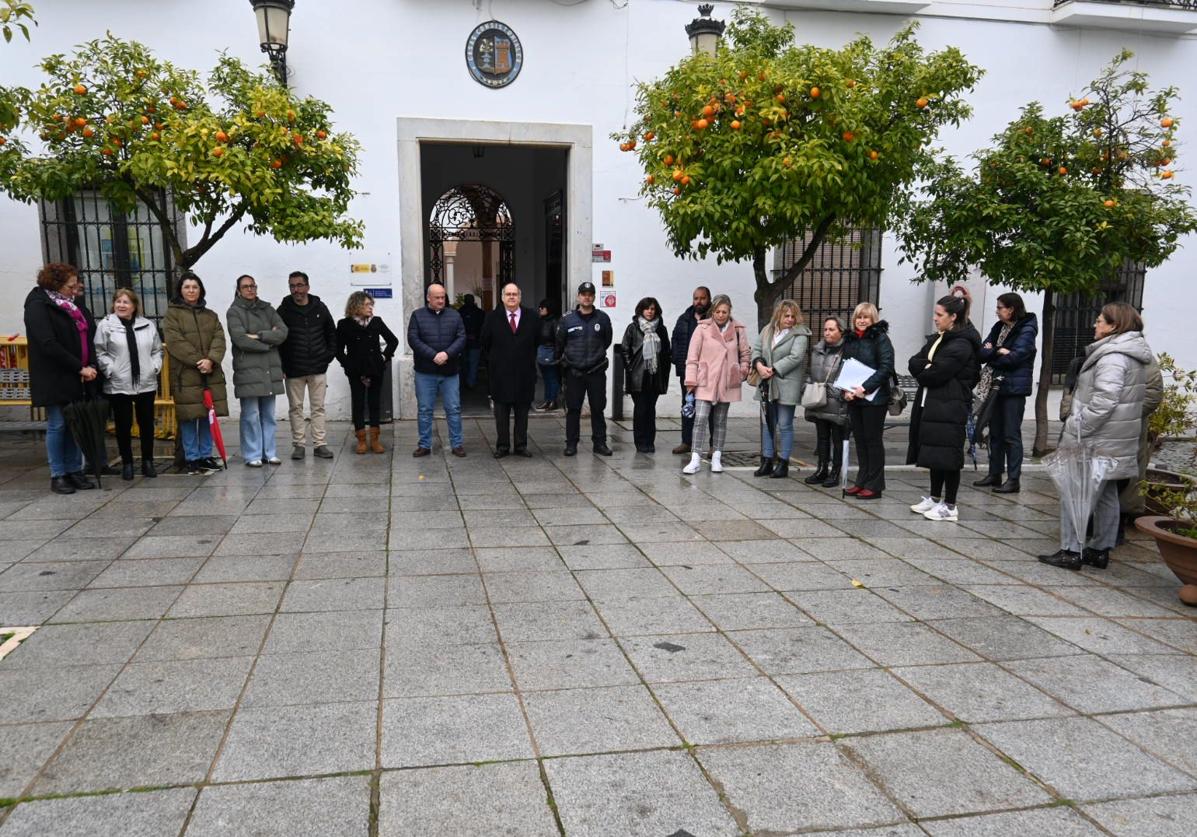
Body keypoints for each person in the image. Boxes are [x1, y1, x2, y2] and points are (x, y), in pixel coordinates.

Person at [1039, 302, 1152, 571]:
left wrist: (1078, 425)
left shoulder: (1113, 356)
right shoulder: (1128, 353)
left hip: (1096, 440)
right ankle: (1100, 549)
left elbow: (1104, 400)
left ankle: (1071, 550)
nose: (1095, 324)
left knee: (1074, 494)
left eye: (1100, 320)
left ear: (1114, 326)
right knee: (1106, 495)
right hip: (1113, 440)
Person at [24, 263, 100, 494]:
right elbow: (48, 344)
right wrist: (80, 367)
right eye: (70, 286)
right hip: (55, 375)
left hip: (78, 374)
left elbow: (87, 335)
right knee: (58, 424)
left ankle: (74, 470)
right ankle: (58, 474)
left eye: (76, 285)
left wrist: (92, 364)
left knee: (73, 423)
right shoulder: (38, 305)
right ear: (55, 284)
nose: (75, 290)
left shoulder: (72, 306)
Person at [907, 296, 982, 522]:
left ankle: (950, 505)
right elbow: (915, 361)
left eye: (940, 315)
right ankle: (934, 497)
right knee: (934, 452)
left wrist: (928, 369)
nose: (935, 318)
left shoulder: (961, 344)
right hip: (934, 403)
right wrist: (926, 367)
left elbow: (935, 373)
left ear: (953, 317)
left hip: (950, 406)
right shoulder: (941, 339)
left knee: (948, 455)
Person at [94, 288, 163, 481]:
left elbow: (157, 350)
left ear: (134, 306)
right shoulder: (106, 326)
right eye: (118, 301)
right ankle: (127, 463)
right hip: (119, 383)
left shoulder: (147, 325)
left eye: (126, 302)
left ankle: (148, 461)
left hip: (145, 383)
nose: (121, 305)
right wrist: (111, 369)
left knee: (146, 424)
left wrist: (154, 366)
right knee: (123, 425)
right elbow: (100, 352)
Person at [163, 272, 228, 476]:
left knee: (207, 416)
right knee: (189, 417)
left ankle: (206, 455)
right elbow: (175, 342)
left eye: (195, 287)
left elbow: (219, 339)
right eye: (187, 287)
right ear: (180, 290)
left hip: (210, 373)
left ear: (201, 290)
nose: (191, 290)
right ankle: (192, 458)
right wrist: (198, 361)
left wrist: (211, 360)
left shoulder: (210, 315)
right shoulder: (172, 315)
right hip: (186, 375)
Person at [974, 293, 1038, 494]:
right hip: (996, 385)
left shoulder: (1027, 328)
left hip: (1014, 388)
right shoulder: (998, 327)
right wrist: (998, 351)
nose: (997, 310)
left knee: (1011, 434)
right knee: (995, 433)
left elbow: (1016, 358)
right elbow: (982, 352)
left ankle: (1013, 479)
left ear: (1011, 309)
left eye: (1000, 307)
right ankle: (994, 474)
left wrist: (995, 352)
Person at [682, 294, 750, 475]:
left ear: (730, 311)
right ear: (713, 311)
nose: (721, 315)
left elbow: (745, 353)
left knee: (720, 421)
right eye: (718, 311)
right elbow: (692, 356)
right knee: (700, 419)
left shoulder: (738, 329)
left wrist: (741, 371)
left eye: (725, 312)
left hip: (727, 380)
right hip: (706, 379)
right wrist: (690, 380)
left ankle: (717, 457)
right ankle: (695, 457)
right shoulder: (702, 328)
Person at [227, 274, 288, 468]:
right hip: (248, 370)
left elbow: (283, 332)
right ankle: (252, 454)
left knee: (268, 414)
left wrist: (259, 336)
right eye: (246, 286)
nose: (250, 289)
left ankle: (269, 453)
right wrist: (268, 344)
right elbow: (240, 338)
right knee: (251, 415)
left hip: (269, 369)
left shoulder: (267, 308)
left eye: (253, 286)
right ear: (238, 290)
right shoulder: (234, 312)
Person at [277, 270, 337, 461]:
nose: (297, 290)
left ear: (308, 287)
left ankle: (320, 444)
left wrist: (328, 356)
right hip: (293, 369)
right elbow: (277, 339)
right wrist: (282, 365)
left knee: (318, 408)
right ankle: (299, 445)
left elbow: (332, 333)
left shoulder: (320, 308)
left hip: (318, 367)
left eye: (300, 285)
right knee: (296, 408)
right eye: (293, 286)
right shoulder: (283, 311)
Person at [751, 299, 811, 479]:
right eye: (787, 316)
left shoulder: (800, 334)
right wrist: (759, 365)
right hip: (766, 383)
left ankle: (783, 462)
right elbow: (757, 350)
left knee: (784, 424)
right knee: (767, 423)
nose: (790, 319)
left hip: (786, 383)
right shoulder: (767, 330)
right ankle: (767, 460)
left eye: (793, 316)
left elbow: (796, 357)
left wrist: (774, 368)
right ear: (779, 315)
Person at [842, 302, 894, 499]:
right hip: (855, 398)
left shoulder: (880, 339)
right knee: (861, 441)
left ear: (873, 320)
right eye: (858, 317)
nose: (861, 321)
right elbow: (846, 367)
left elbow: (886, 367)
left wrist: (865, 387)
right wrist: (846, 390)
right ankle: (862, 480)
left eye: (866, 317)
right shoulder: (851, 339)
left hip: (875, 399)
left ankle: (875, 484)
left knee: (873, 441)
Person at [336, 291, 399, 454]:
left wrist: (384, 357)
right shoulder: (344, 324)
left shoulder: (376, 322)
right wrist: (347, 365)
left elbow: (393, 341)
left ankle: (375, 440)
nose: (370, 308)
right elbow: (338, 350)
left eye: (371, 305)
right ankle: (362, 440)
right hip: (356, 371)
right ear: (356, 305)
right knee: (358, 404)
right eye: (366, 305)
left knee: (374, 403)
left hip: (375, 369)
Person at [408, 282, 466, 457]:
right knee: (425, 409)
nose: (441, 300)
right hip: (425, 371)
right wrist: (433, 355)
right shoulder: (417, 316)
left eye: (443, 297)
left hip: (450, 371)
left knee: (453, 408)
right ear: (428, 298)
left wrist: (447, 354)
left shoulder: (454, 315)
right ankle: (424, 445)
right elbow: (413, 339)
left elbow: (461, 338)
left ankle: (457, 444)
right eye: (437, 298)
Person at [480, 282, 538, 457]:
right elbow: (485, 343)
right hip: (500, 374)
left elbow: (536, 341)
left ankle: (521, 445)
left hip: (524, 374)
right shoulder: (491, 317)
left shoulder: (532, 316)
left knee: (522, 413)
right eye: (508, 294)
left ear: (520, 297)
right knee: (501, 414)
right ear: (502, 297)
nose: (512, 297)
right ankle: (502, 446)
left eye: (515, 294)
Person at [557, 281, 613, 457]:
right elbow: (559, 343)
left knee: (598, 408)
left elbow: (607, 341)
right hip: (574, 372)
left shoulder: (602, 318)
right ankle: (571, 444)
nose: (587, 297)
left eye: (590, 294)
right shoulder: (567, 319)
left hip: (596, 371)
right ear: (578, 297)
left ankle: (600, 443)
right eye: (583, 294)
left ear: (594, 297)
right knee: (573, 409)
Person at [620, 297, 671, 453]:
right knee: (641, 409)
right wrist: (630, 368)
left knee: (651, 409)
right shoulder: (633, 328)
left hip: (655, 376)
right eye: (647, 308)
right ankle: (640, 442)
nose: (650, 311)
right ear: (641, 310)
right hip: (638, 376)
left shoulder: (661, 329)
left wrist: (664, 373)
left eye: (653, 309)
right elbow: (625, 349)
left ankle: (650, 441)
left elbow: (666, 352)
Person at [804, 317, 850, 488]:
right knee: (822, 437)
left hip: (837, 402)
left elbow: (847, 376)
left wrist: (833, 390)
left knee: (837, 438)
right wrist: (807, 385)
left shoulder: (846, 350)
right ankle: (821, 469)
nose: (827, 333)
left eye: (831, 329)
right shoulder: (818, 350)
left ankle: (835, 472)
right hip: (819, 400)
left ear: (841, 331)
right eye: (825, 329)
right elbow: (811, 371)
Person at [671, 285, 711, 454]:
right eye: (696, 298)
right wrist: (679, 362)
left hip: (709, 373)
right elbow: (676, 341)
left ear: (708, 299)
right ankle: (687, 441)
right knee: (688, 407)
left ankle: (713, 445)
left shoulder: (714, 318)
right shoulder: (684, 319)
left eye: (702, 298)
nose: (699, 301)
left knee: (712, 409)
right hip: (688, 372)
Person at [535, 298, 561, 411]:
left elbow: (558, 339)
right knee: (546, 378)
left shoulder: (554, 322)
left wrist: (556, 354)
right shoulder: (541, 320)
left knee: (552, 377)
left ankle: (553, 401)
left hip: (550, 351)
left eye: (542, 307)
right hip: (541, 351)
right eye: (539, 307)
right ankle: (547, 400)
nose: (540, 309)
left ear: (548, 309)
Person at [458, 293, 484, 390]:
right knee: (469, 363)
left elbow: (483, 328)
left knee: (470, 363)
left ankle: (469, 382)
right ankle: (469, 382)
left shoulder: (460, 312)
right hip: (466, 343)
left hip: (471, 342)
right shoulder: (461, 312)